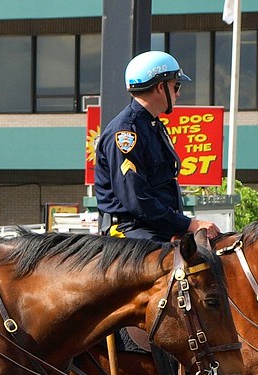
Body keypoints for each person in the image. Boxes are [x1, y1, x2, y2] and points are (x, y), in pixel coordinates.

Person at [94, 50, 219, 242]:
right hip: (132, 232)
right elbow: (136, 199)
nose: (178, 93)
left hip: (157, 228)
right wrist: (189, 224)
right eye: (176, 85)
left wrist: (183, 224)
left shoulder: (151, 125)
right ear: (161, 87)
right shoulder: (127, 132)